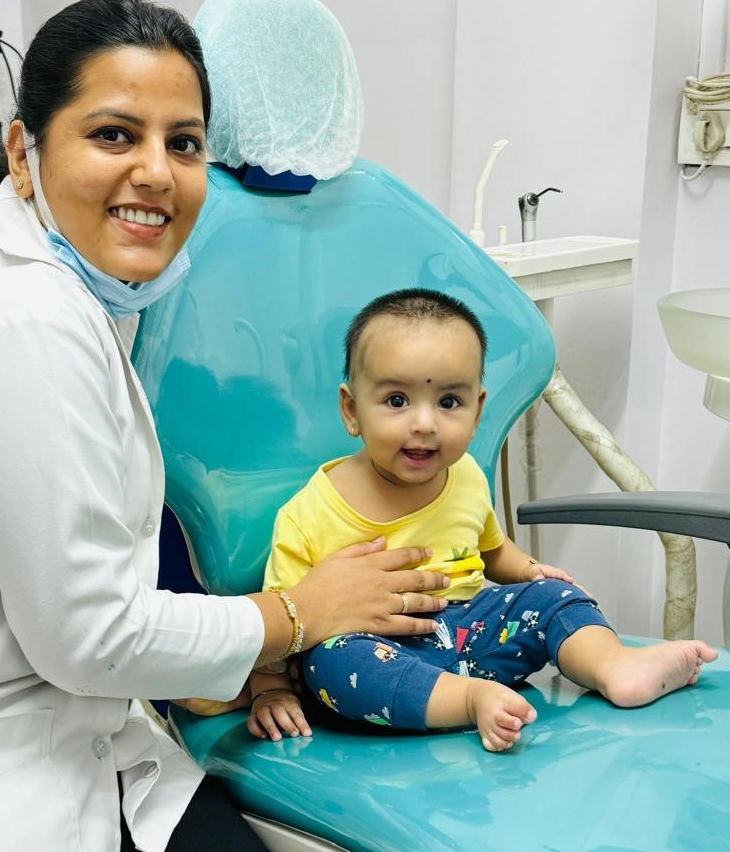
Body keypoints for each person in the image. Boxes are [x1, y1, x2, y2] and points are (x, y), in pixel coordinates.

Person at [0, 0, 450, 852]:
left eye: (184, 143)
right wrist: (299, 612)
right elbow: (90, 635)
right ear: (23, 153)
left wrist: (224, 658)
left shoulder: (86, 300)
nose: (157, 172)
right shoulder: (12, 323)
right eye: (114, 135)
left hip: (68, 726)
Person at [248, 287, 718, 753]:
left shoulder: (467, 476)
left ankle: (615, 666)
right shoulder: (310, 514)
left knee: (554, 596)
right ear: (352, 410)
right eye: (396, 400)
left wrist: (528, 571)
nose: (425, 423)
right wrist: (270, 690)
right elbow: (285, 619)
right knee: (331, 661)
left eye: (449, 402)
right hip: (379, 651)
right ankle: (470, 701)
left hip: (473, 631)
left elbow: (492, 550)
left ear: (477, 410)